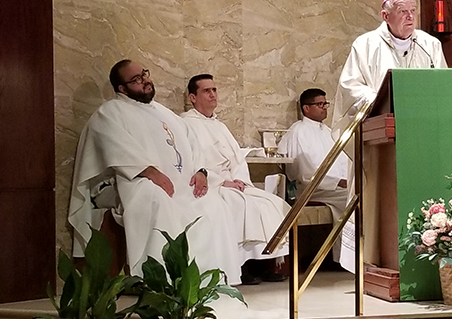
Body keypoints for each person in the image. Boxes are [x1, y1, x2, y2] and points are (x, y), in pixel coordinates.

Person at [67, 60, 244, 285]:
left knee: (214, 204)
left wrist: (201, 171)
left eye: (144, 74)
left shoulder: (164, 112)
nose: (145, 81)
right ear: (122, 88)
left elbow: (193, 143)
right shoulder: (109, 112)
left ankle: (210, 279)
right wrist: (150, 172)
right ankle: (161, 281)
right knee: (157, 200)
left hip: (178, 183)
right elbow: (116, 148)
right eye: (136, 79)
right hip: (129, 182)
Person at [332, 0, 448, 271]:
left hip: (421, 136)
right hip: (379, 137)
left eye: (412, 11)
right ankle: (374, 260)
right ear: (385, 15)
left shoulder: (430, 45)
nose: (410, 17)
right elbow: (349, 87)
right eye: (402, 12)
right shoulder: (365, 45)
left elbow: (443, 83)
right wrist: (380, 98)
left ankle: (425, 256)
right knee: (376, 199)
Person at [181, 74, 289, 283]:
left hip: (232, 182)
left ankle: (263, 263)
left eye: (214, 90)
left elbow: (237, 159)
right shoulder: (185, 123)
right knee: (236, 204)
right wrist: (222, 182)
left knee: (271, 202)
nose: (212, 94)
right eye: (206, 91)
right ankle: (240, 268)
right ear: (193, 97)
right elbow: (191, 161)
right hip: (211, 185)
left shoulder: (220, 125)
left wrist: (240, 181)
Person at [277, 88, 350, 263]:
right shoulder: (298, 131)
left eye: (325, 103)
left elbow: (342, 160)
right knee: (351, 198)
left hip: (332, 187)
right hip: (311, 189)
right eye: (319, 104)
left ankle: (354, 254)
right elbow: (303, 172)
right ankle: (346, 258)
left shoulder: (328, 131)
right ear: (306, 108)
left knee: (358, 194)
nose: (324, 107)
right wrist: (338, 182)